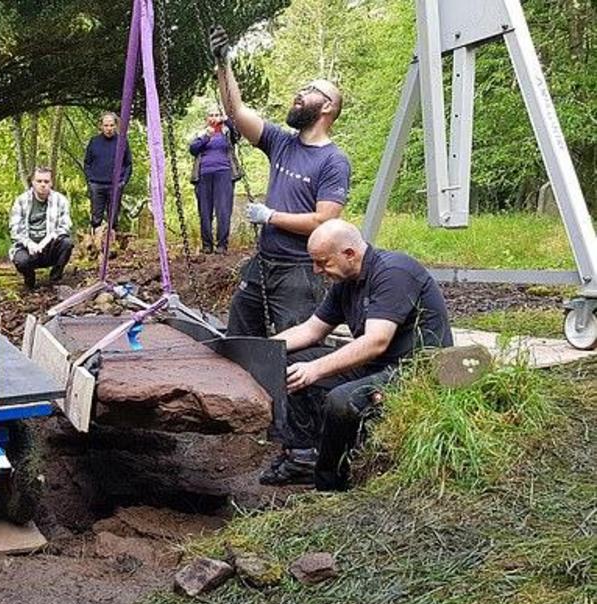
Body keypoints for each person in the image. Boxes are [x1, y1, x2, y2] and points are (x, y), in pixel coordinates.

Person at [262, 219, 453, 491]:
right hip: (376, 365)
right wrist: (260, 349)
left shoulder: (393, 273)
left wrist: (315, 368)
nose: (317, 271)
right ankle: (302, 457)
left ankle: (332, 486)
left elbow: (376, 341)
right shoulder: (346, 280)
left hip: (414, 370)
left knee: (341, 400)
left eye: (322, 262)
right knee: (288, 363)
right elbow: (311, 330)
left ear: (349, 254)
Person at [209, 26, 351, 337]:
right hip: (263, 263)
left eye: (311, 89)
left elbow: (323, 221)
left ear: (327, 107)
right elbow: (236, 111)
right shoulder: (281, 142)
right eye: (301, 87)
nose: (300, 92)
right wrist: (223, 64)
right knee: (240, 338)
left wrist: (271, 216)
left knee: (294, 346)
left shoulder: (333, 161)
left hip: (299, 271)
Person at [9, 166, 74, 290]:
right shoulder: (21, 201)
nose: (43, 185)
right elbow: (14, 229)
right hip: (28, 249)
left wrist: (48, 239)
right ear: (32, 182)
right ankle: (30, 280)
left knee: (67, 243)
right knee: (21, 260)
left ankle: (55, 279)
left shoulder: (61, 200)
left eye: (46, 181)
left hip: (50, 248)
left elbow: (65, 226)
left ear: (51, 183)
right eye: (39, 181)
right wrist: (29, 243)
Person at [189, 107, 240, 254]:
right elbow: (193, 149)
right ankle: (207, 245)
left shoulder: (227, 132)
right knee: (205, 211)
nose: (214, 118)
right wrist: (206, 137)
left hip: (224, 173)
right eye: (211, 115)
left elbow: (238, 136)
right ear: (206, 118)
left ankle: (222, 245)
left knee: (223, 210)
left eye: (217, 115)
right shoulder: (201, 133)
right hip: (203, 174)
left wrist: (226, 119)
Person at [83, 112, 132, 247]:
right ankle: (95, 245)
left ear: (116, 126)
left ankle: (113, 245)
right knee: (96, 216)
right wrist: (90, 180)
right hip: (96, 184)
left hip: (115, 185)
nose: (109, 128)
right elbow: (87, 162)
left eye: (111, 125)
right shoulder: (94, 141)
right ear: (101, 126)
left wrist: (123, 182)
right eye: (106, 125)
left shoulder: (122, 142)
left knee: (113, 216)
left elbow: (128, 164)